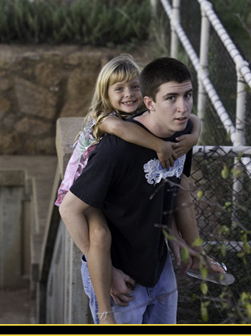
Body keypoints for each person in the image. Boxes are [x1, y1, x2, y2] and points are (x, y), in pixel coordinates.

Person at [59, 57, 224, 324]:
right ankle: (105, 314)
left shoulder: (179, 133)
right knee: (99, 235)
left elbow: (174, 188)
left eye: (188, 96)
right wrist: (107, 271)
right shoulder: (112, 137)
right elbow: (70, 208)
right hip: (115, 264)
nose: (182, 108)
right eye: (171, 98)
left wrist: (192, 247)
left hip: (158, 270)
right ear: (151, 102)